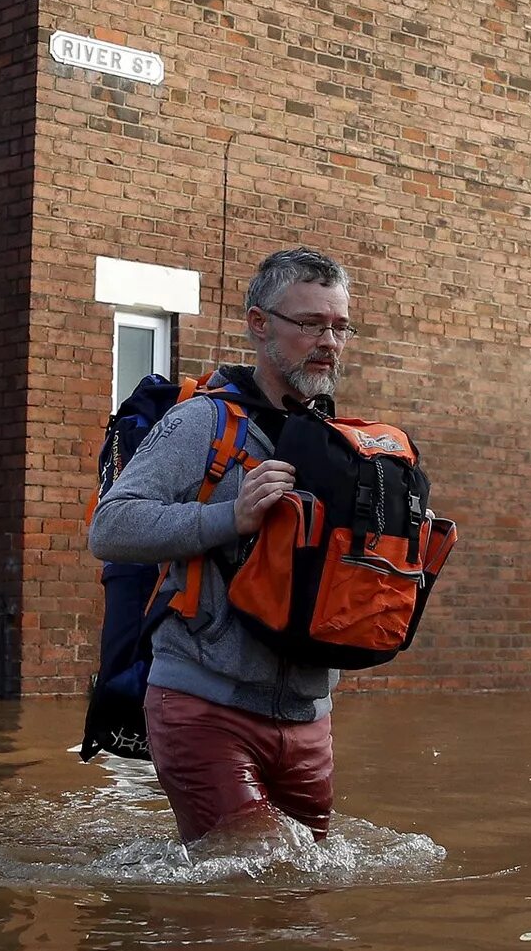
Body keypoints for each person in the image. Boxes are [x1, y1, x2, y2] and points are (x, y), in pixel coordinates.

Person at [89, 247, 354, 842]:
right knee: (240, 892)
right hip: (205, 705)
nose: (329, 342)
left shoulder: (343, 443)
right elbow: (111, 528)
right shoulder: (199, 425)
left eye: (339, 326)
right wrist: (229, 517)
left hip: (309, 717)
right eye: (310, 324)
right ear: (259, 325)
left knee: (300, 898)